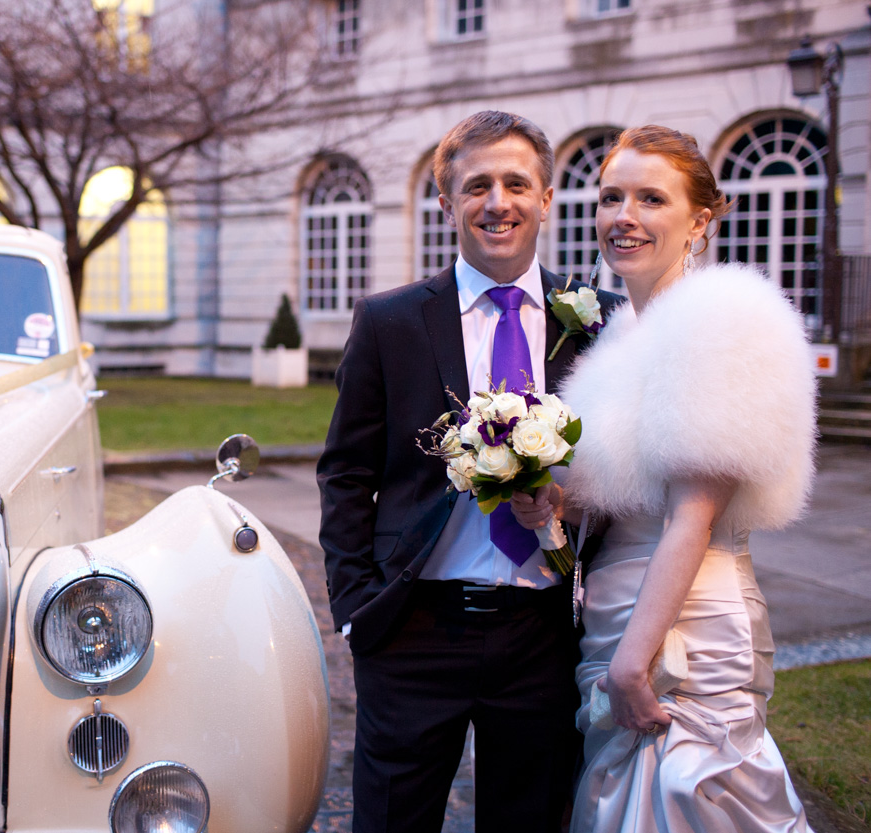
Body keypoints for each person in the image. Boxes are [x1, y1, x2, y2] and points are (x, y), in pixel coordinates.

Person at [317, 110, 622, 832]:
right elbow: (345, 472)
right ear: (447, 202)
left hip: (545, 632)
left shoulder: (600, 323)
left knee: (532, 819)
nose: (497, 202)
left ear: (546, 198)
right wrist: (359, 607)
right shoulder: (391, 322)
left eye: (517, 183)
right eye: (476, 185)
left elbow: (625, 477)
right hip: (414, 625)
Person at [511, 125, 816, 832]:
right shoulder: (619, 334)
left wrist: (632, 660)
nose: (625, 216)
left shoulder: (720, 321)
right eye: (611, 196)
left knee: (682, 800)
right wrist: (549, 500)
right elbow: (620, 494)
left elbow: (691, 517)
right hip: (616, 621)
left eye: (652, 198)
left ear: (700, 219)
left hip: (688, 627)